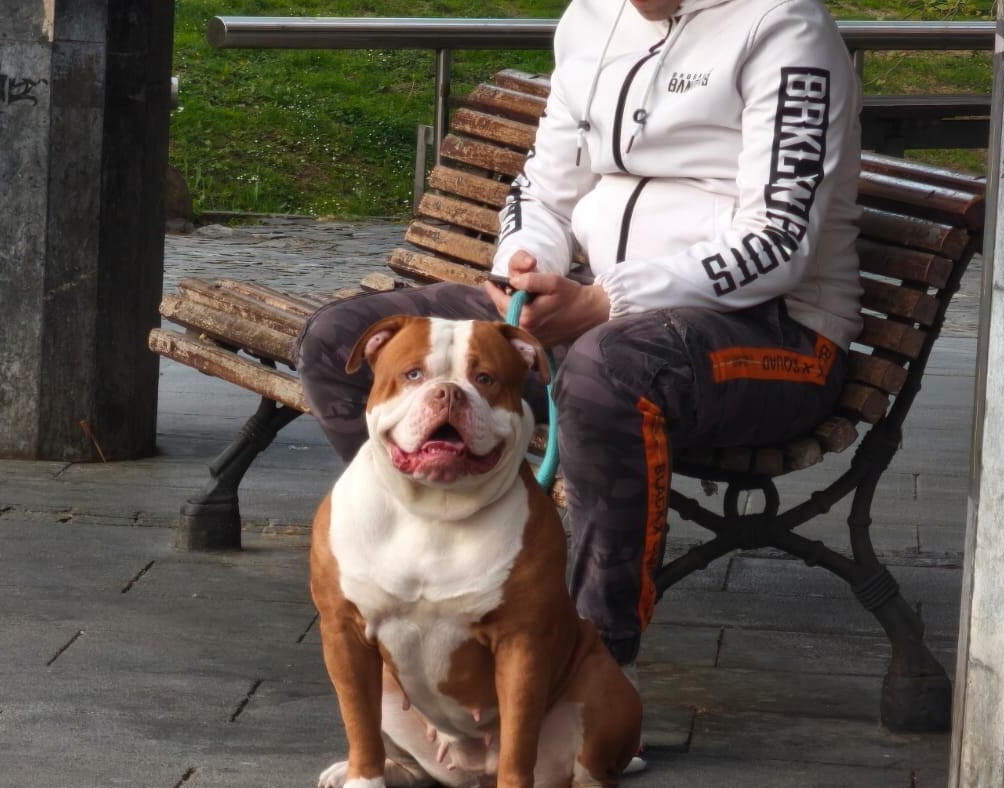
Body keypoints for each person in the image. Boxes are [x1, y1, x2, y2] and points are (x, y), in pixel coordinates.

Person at [295, 0, 863, 679]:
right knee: (339, 341)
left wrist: (605, 303)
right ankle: (419, 581)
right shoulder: (590, 18)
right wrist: (522, 271)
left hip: (773, 331)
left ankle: (590, 662)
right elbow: (545, 187)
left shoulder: (785, 26)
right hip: (592, 302)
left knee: (605, 373)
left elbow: (779, 238)